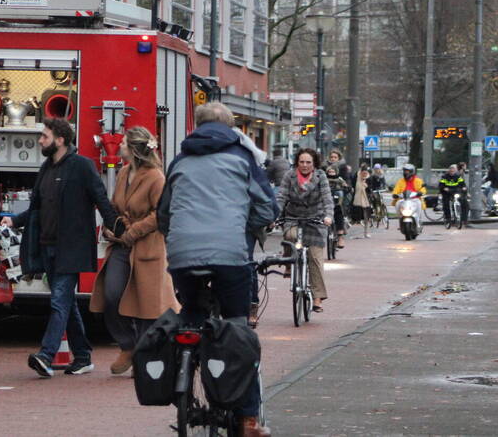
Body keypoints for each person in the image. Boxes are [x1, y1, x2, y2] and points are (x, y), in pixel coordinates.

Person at [157, 102, 276, 437]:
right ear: (231, 128)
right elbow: (268, 206)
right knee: (239, 332)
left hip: (182, 255)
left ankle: (187, 363)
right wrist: (242, 229)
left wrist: (179, 240)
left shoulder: (179, 160)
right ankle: (248, 419)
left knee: (193, 313)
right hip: (229, 254)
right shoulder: (242, 159)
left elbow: (163, 215)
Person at [0, 117, 117, 379]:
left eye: (44, 136)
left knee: (59, 300)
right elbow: (37, 207)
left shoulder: (83, 166)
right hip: (47, 246)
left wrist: (117, 229)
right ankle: (83, 356)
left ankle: (46, 355)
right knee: (66, 302)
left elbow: (101, 200)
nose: (40, 140)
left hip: (71, 248)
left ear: (60, 140)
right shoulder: (46, 168)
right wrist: (15, 220)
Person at [87, 126, 176, 376]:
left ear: (135, 150)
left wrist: (133, 231)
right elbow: (116, 206)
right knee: (112, 293)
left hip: (147, 246)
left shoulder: (156, 177)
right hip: (122, 245)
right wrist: (112, 227)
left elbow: (160, 214)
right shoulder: (124, 173)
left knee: (147, 304)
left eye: (124, 143)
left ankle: (144, 355)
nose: (120, 145)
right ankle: (128, 344)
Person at [277, 148, 332, 313]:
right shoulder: (289, 176)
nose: (305, 165)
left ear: (314, 163)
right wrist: (274, 215)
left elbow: (327, 199)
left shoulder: (320, 176)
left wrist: (328, 216)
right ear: (297, 162)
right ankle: (288, 262)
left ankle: (317, 297)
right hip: (294, 216)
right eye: (302, 162)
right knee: (289, 235)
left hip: (315, 219)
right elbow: (281, 197)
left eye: (308, 162)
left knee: (315, 257)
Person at [325, 165, 350, 248]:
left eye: (333, 172)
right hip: (325, 202)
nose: (331, 173)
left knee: (339, 214)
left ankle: (340, 237)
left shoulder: (340, 180)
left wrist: (346, 188)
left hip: (337, 202)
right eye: (329, 172)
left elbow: (347, 188)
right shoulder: (324, 180)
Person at [438, 164, 468, 229]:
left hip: (455, 192)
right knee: (446, 204)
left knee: (464, 202)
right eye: (451, 170)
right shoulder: (444, 177)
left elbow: (463, 184)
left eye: (453, 171)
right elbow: (441, 185)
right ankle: (448, 218)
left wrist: (464, 188)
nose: (452, 172)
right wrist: (444, 188)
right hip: (447, 193)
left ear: (455, 171)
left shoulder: (458, 177)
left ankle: (463, 219)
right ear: (449, 171)